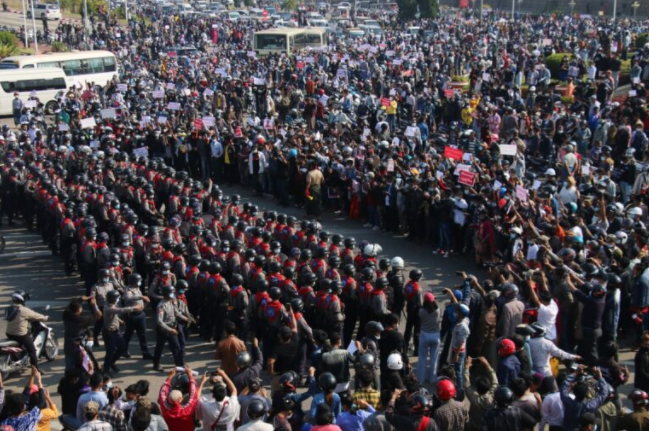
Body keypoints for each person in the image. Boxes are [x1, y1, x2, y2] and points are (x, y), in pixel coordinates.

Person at [101, 289, 143, 373]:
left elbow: (114, 314)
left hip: (116, 331)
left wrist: (119, 320)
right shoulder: (108, 307)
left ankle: (112, 363)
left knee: (122, 347)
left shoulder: (112, 304)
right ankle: (105, 370)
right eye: (117, 298)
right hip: (109, 333)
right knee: (110, 352)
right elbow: (120, 310)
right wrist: (135, 308)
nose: (118, 299)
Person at [5, 290, 48, 369]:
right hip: (20, 335)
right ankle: (36, 370)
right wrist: (45, 318)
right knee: (32, 351)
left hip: (9, 333)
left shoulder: (9, 308)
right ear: (22, 299)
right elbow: (35, 315)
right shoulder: (24, 310)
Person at [560, 365, 609, 430]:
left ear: (573, 391)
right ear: (586, 393)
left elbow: (564, 386)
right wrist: (600, 376)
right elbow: (604, 393)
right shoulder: (591, 405)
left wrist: (576, 372)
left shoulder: (568, 402)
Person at [159, 366, 206, 431]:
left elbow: (162, 393)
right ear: (181, 399)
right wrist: (190, 376)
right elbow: (193, 394)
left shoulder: (165, 409)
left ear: (169, 400)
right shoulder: (187, 410)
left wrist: (170, 377)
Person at [153, 285, 186, 371]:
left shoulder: (171, 301)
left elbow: (176, 312)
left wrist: (185, 318)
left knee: (176, 347)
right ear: (166, 294)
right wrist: (170, 330)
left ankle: (179, 364)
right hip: (163, 330)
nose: (173, 294)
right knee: (159, 347)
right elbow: (159, 321)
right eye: (171, 293)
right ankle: (156, 364)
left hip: (172, 328)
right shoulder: (161, 305)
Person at [122, 273, 153, 360]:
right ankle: (123, 350)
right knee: (128, 334)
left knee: (143, 334)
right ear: (134, 282)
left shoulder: (137, 288)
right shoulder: (128, 290)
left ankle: (145, 353)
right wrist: (141, 297)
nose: (140, 283)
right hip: (132, 315)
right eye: (138, 281)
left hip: (141, 314)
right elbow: (128, 298)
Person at [463, 357, 497, 431]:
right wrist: (487, 365)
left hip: (475, 427)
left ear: (477, 389)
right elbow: (495, 382)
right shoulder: (492, 397)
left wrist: (467, 367)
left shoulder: (474, 399)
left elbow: (466, 385)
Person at [417, 291, 441, 384]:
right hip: (435, 335)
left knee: (422, 358)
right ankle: (432, 379)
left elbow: (421, 307)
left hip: (424, 335)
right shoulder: (437, 311)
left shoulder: (421, 311)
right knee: (434, 359)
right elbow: (436, 304)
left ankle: (420, 379)